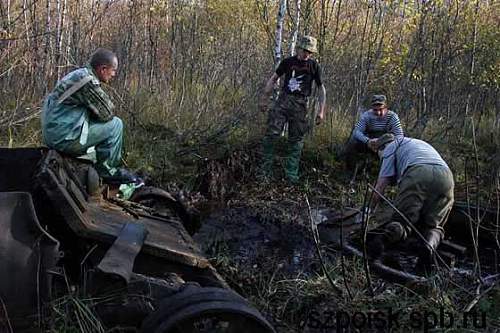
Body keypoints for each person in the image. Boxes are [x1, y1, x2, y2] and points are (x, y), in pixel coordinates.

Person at [41, 48, 136, 184]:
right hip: (63, 138)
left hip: (54, 134)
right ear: (103, 69)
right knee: (116, 125)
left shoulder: (78, 74)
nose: (114, 74)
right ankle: (109, 173)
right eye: (113, 70)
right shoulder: (87, 81)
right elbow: (107, 113)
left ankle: (91, 169)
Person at [368, 134, 454, 269]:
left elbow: (380, 187)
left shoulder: (389, 149)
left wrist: (368, 210)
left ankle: (380, 245)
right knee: (434, 226)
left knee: (402, 221)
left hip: (418, 172)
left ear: (381, 148)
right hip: (446, 177)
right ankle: (428, 248)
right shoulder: (415, 143)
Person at [258, 35, 326, 184]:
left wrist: (321, 111)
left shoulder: (314, 66)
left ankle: (291, 176)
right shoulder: (288, 62)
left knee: (296, 141)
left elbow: (321, 89)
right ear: (299, 48)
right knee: (271, 135)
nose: (307, 54)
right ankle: (264, 172)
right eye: (305, 50)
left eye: (310, 52)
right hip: (283, 101)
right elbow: (274, 78)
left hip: (301, 105)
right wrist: (264, 98)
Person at [340, 95, 403, 166]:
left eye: (381, 109)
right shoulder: (367, 115)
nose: (378, 113)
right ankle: (351, 168)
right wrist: (368, 141)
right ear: (372, 108)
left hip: (386, 144)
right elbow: (356, 132)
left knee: (395, 143)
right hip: (370, 142)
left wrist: (384, 143)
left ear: (386, 107)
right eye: (375, 110)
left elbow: (400, 136)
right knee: (352, 142)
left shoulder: (392, 117)